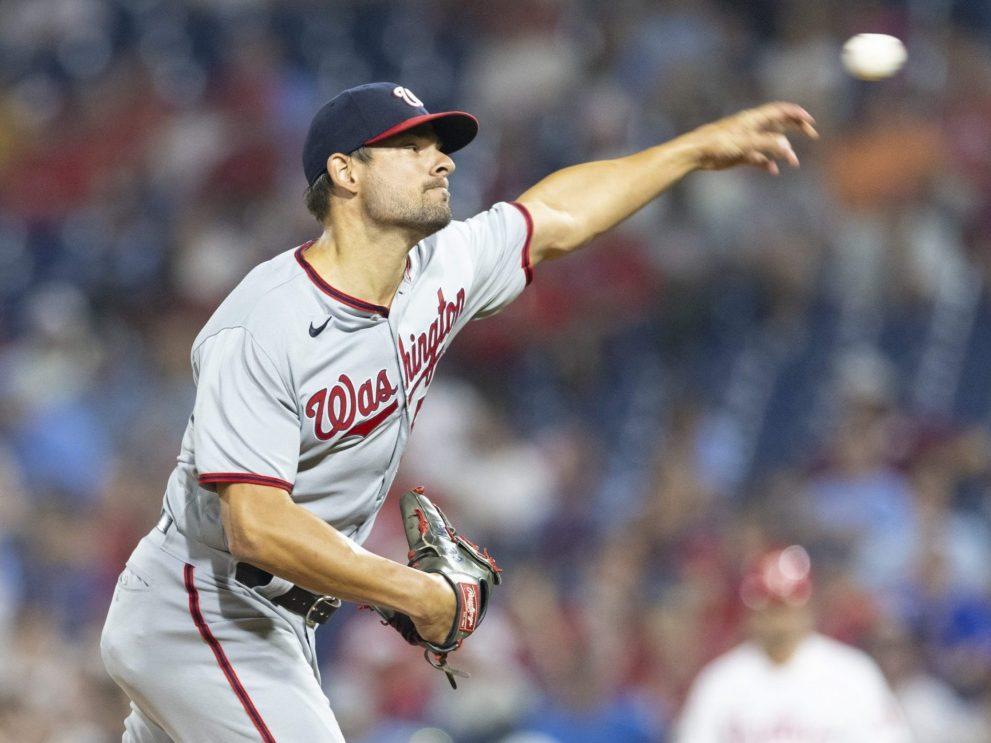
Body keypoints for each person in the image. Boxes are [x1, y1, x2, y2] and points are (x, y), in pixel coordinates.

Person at [99, 81, 818, 741]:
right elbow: (253, 523)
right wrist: (413, 590)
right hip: (198, 610)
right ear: (346, 173)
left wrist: (691, 150)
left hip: (269, 620)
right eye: (410, 148)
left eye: (439, 148)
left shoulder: (438, 266)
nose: (439, 162)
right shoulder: (264, 321)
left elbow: (557, 214)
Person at [676, 545, 911, 742]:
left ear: (807, 607)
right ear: (750, 612)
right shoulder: (721, 682)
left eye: (785, 606)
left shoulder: (852, 675)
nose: (777, 620)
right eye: (768, 606)